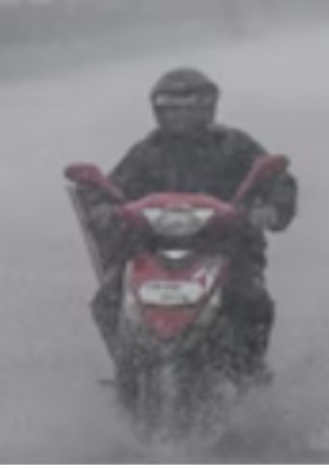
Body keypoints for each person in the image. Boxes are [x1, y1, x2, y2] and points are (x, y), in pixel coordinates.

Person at [84, 66, 298, 393]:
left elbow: (276, 180)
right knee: (106, 299)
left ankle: (251, 372)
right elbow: (112, 187)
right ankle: (127, 369)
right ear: (157, 111)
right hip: (152, 251)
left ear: (207, 107)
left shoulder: (236, 146)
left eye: (187, 108)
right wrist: (102, 207)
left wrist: (269, 209)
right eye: (170, 109)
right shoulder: (146, 152)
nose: (178, 117)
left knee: (253, 300)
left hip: (227, 250)